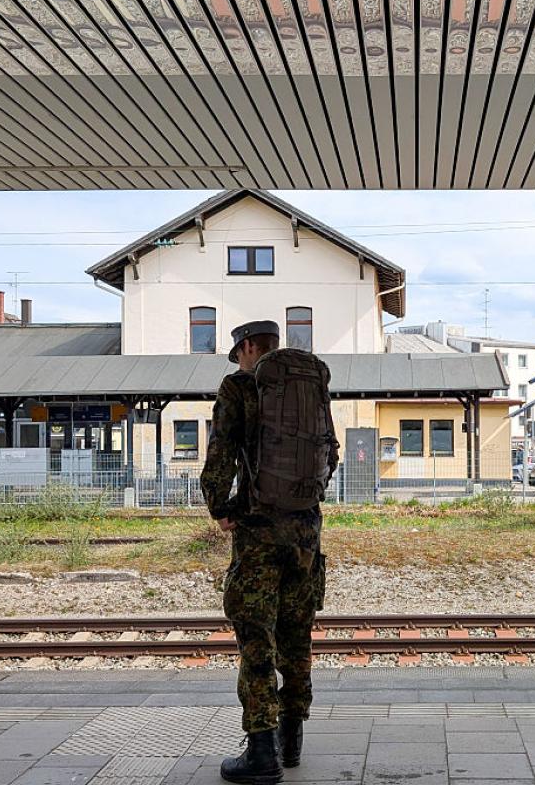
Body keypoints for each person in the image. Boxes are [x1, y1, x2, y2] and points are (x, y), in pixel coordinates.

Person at [202, 319, 339, 784]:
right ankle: (292, 740)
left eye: (237, 352)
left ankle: (261, 753)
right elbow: (331, 453)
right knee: (297, 637)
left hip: (259, 530)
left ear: (245, 348)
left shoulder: (239, 386)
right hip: (306, 531)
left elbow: (220, 451)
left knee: (258, 640)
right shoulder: (311, 384)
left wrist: (220, 506)